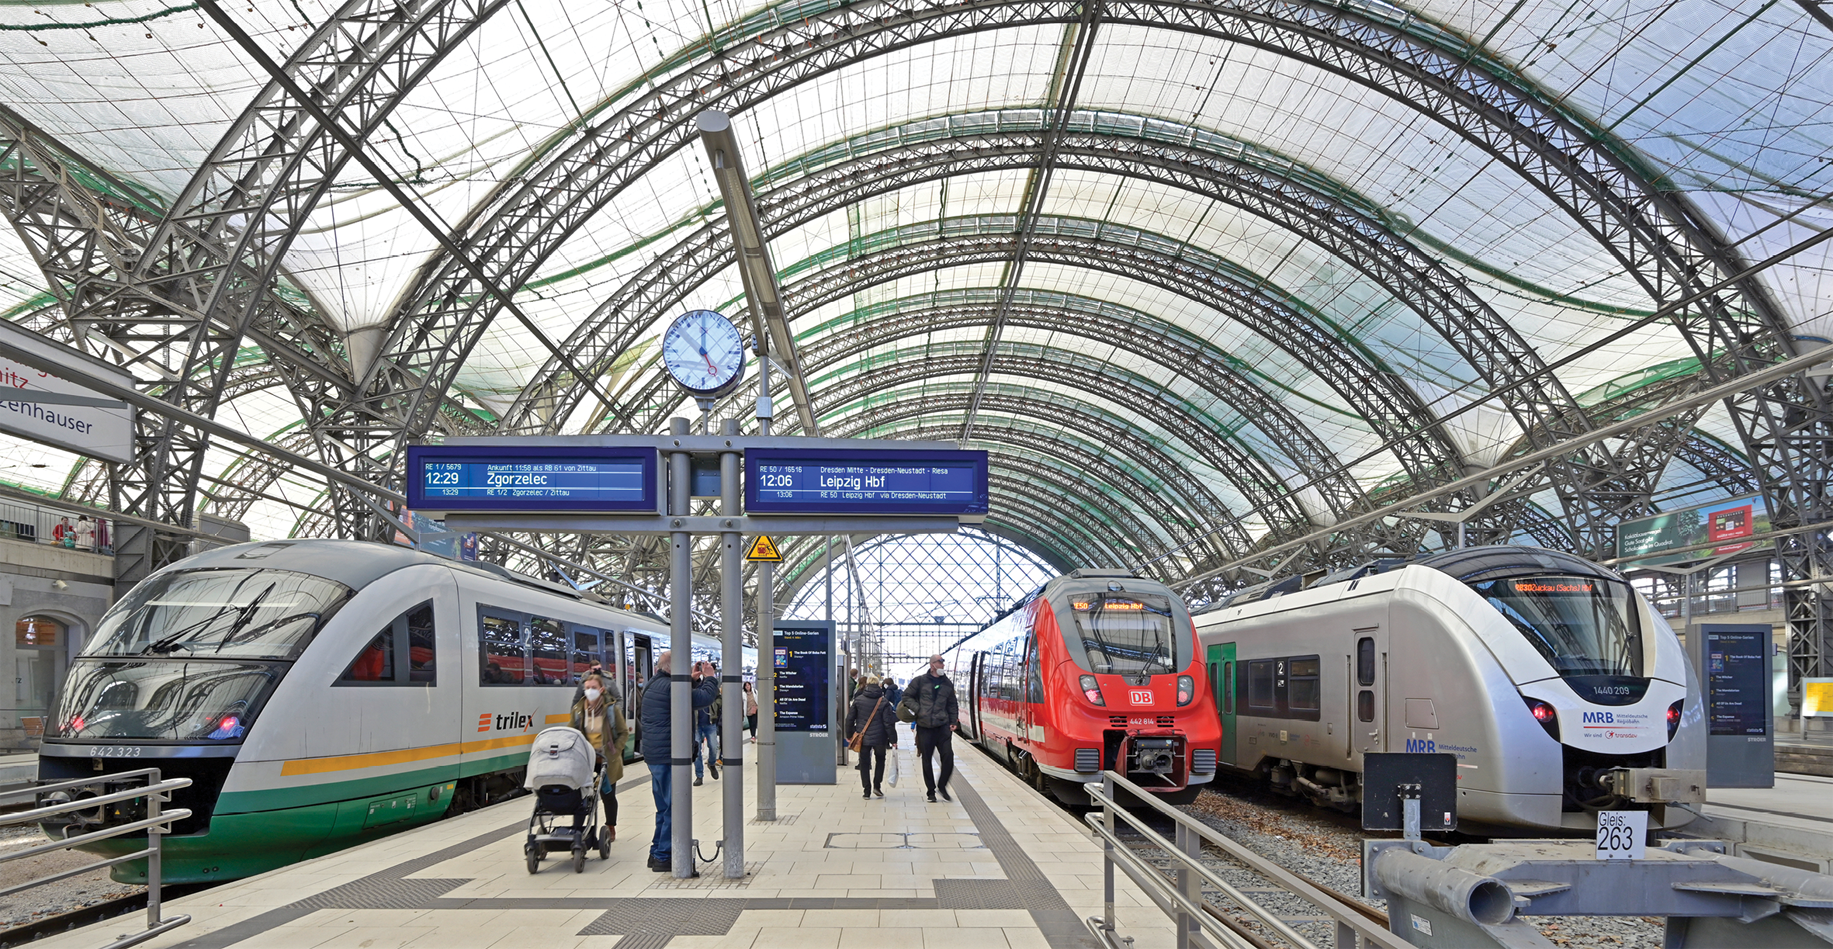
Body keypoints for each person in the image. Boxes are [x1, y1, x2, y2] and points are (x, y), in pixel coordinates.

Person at [639, 651, 717, 874]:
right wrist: (710, 678)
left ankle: (656, 853)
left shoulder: (654, 685)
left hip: (656, 755)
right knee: (675, 807)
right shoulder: (672, 687)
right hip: (668, 756)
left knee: (663, 807)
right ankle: (664, 856)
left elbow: (677, 699)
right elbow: (703, 699)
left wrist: (690, 681)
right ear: (673, 668)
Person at [569, 672, 628, 841]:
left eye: (593, 688)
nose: (589, 691)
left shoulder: (611, 709)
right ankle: (579, 831)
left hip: (606, 760)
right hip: (586, 760)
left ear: (601, 689)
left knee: (608, 795)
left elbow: (623, 733)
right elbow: (571, 733)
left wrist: (615, 751)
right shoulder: (578, 710)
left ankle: (611, 826)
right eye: (587, 688)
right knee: (581, 797)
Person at [906, 655, 958, 803]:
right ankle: (931, 791)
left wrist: (953, 720)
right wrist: (919, 709)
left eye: (943, 662)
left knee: (948, 757)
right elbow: (906, 696)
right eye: (940, 662)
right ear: (932, 664)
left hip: (943, 726)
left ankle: (942, 785)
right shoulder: (920, 681)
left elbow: (952, 703)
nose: (943, 665)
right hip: (925, 727)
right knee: (926, 759)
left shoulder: (947, 683)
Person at [847, 675, 894, 799]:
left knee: (864, 763)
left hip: (863, 737)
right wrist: (893, 739)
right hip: (880, 738)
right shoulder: (883, 701)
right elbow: (888, 722)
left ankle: (866, 791)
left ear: (867, 685)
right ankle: (877, 786)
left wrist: (849, 735)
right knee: (880, 761)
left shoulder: (859, 700)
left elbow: (850, 719)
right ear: (879, 685)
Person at [693, 661, 721, 786]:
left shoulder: (711, 685)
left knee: (714, 747)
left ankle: (711, 763)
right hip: (696, 723)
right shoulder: (693, 685)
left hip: (710, 721)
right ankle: (699, 775)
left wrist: (714, 705)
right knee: (696, 750)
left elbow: (719, 698)